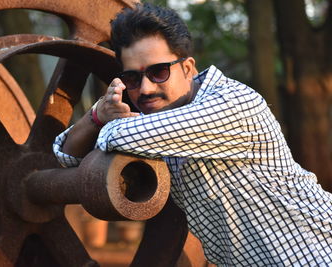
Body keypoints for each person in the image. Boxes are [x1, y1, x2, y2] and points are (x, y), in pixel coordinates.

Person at [53, 3, 332, 266]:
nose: (146, 89)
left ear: (187, 68)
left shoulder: (234, 104)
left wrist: (109, 124)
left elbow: (117, 137)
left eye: (159, 72)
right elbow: (69, 159)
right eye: (133, 79)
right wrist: (96, 117)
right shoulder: (157, 128)